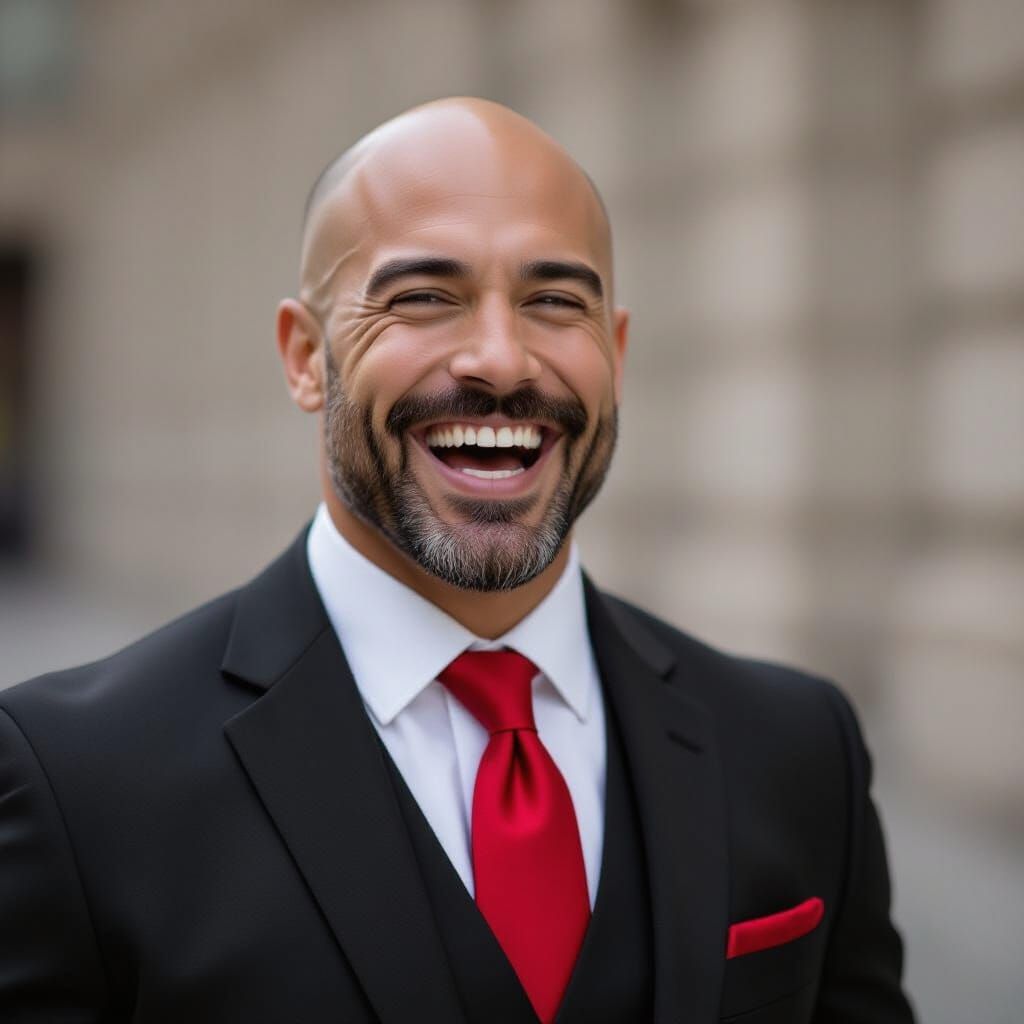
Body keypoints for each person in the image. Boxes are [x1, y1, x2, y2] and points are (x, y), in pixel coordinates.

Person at [0, 98, 915, 1023]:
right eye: (424, 298)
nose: (500, 360)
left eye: (556, 301)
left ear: (617, 352)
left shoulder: (799, 751)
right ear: (307, 356)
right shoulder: (74, 785)